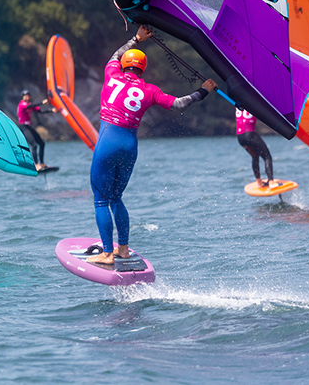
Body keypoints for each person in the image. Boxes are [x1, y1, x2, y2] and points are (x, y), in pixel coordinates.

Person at [88, 24, 217, 265]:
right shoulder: (150, 90)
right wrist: (203, 91)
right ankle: (123, 249)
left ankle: (107, 254)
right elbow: (180, 104)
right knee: (116, 197)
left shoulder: (111, 74)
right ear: (143, 69)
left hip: (108, 141)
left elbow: (114, 56)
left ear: (124, 65)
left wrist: (136, 38)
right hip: (129, 146)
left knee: (101, 200)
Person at [236, 106, 275, 188]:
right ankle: (271, 182)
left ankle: (259, 182)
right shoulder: (252, 102)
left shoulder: (237, 102)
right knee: (267, 156)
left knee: (255, 156)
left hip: (240, 137)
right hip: (249, 134)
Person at [17, 90, 56, 171]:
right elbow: (28, 107)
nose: (27, 97)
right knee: (34, 145)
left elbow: (40, 111)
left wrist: (51, 110)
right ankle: (36, 165)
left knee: (42, 144)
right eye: (25, 96)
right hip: (23, 127)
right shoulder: (22, 104)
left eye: (28, 95)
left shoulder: (30, 105)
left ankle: (42, 163)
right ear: (22, 97)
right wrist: (42, 102)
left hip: (29, 127)